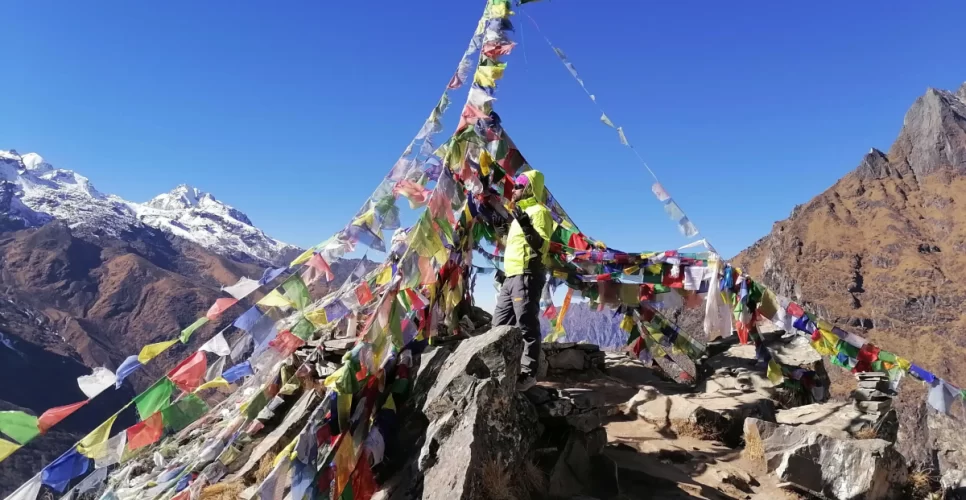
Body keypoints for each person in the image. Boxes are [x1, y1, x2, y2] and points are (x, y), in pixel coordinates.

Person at [491, 170, 554, 391]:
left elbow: (541, 245)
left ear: (529, 188)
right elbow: (515, 244)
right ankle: (501, 369)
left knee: (526, 325)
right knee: (498, 326)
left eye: (519, 185)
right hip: (511, 276)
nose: (514, 189)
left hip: (527, 275)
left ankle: (528, 373)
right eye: (515, 185)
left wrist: (526, 224)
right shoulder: (520, 214)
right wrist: (501, 230)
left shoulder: (540, 213)